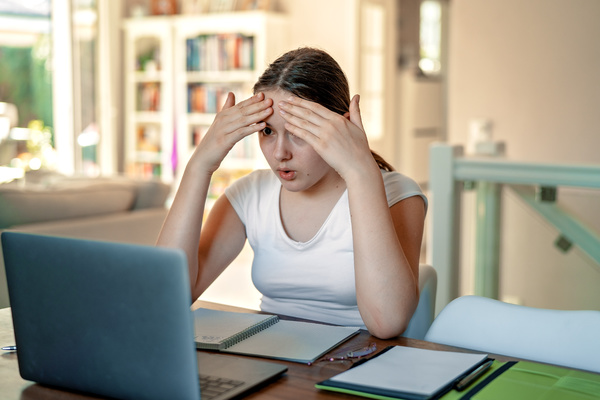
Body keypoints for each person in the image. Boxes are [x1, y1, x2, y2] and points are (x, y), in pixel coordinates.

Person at [157, 47, 427, 339]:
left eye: (299, 132)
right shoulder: (251, 194)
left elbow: (387, 322)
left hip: (356, 364)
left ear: (341, 126)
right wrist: (199, 166)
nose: (279, 154)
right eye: (268, 132)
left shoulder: (397, 193)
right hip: (272, 360)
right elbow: (164, 299)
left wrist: (360, 173)